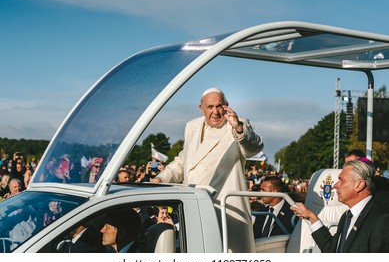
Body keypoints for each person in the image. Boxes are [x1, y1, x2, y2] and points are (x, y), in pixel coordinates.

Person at [152, 88, 264, 252]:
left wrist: (239, 129)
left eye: (219, 106)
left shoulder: (239, 123)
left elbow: (253, 148)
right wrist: (161, 179)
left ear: (226, 106)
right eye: (210, 107)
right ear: (201, 108)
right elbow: (183, 160)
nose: (215, 112)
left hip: (226, 210)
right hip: (194, 207)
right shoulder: (192, 126)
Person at [291, 160, 389, 252]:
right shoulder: (347, 216)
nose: (335, 185)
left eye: (341, 180)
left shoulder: (382, 220)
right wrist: (311, 217)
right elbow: (332, 250)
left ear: (359, 185)